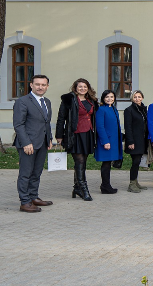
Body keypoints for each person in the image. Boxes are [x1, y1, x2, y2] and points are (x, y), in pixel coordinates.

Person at [13, 74, 54, 213]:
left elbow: (46, 122)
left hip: (42, 143)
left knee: (37, 172)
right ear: (31, 85)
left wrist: (49, 138)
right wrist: (26, 142)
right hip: (28, 144)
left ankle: (33, 197)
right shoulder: (23, 101)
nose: (40, 87)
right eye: (37, 84)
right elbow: (19, 124)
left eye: (43, 85)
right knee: (26, 173)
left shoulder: (47, 101)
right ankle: (24, 202)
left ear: (47, 86)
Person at [56, 78, 100, 201]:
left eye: (85, 87)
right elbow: (61, 118)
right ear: (75, 88)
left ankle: (76, 187)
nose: (82, 89)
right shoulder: (68, 99)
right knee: (79, 162)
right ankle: (84, 189)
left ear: (88, 88)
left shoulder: (91, 100)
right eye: (80, 87)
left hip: (87, 134)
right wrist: (59, 136)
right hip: (74, 134)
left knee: (83, 162)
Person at [95, 90, 124, 194]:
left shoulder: (114, 109)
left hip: (114, 141)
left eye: (112, 97)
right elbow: (100, 127)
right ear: (103, 98)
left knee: (109, 163)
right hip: (106, 141)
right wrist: (105, 141)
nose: (110, 99)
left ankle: (106, 185)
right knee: (106, 163)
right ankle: (105, 186)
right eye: (107, 97)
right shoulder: (101, 110)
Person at [124, 90, 149, 193]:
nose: (137, 99)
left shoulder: (144, 109)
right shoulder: (129, 110)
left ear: (142, 98)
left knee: (138, 161)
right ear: (132, 99)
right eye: (135, 97)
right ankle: (131, 184)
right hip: (134, 140)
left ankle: (135, 182)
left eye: (139, 97)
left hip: (142, 140)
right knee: (135, 162)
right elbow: (128, 127)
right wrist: (130, 141)